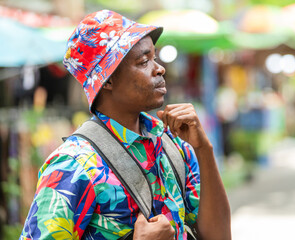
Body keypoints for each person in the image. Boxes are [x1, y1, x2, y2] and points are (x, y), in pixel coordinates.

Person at [20, 10, 231, 240]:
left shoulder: (173, 143)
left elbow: (218, 236)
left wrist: (204, 150)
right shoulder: (74, 165)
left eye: (155, 58)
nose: (159, 68)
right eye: (143, 61)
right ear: (107, 79)